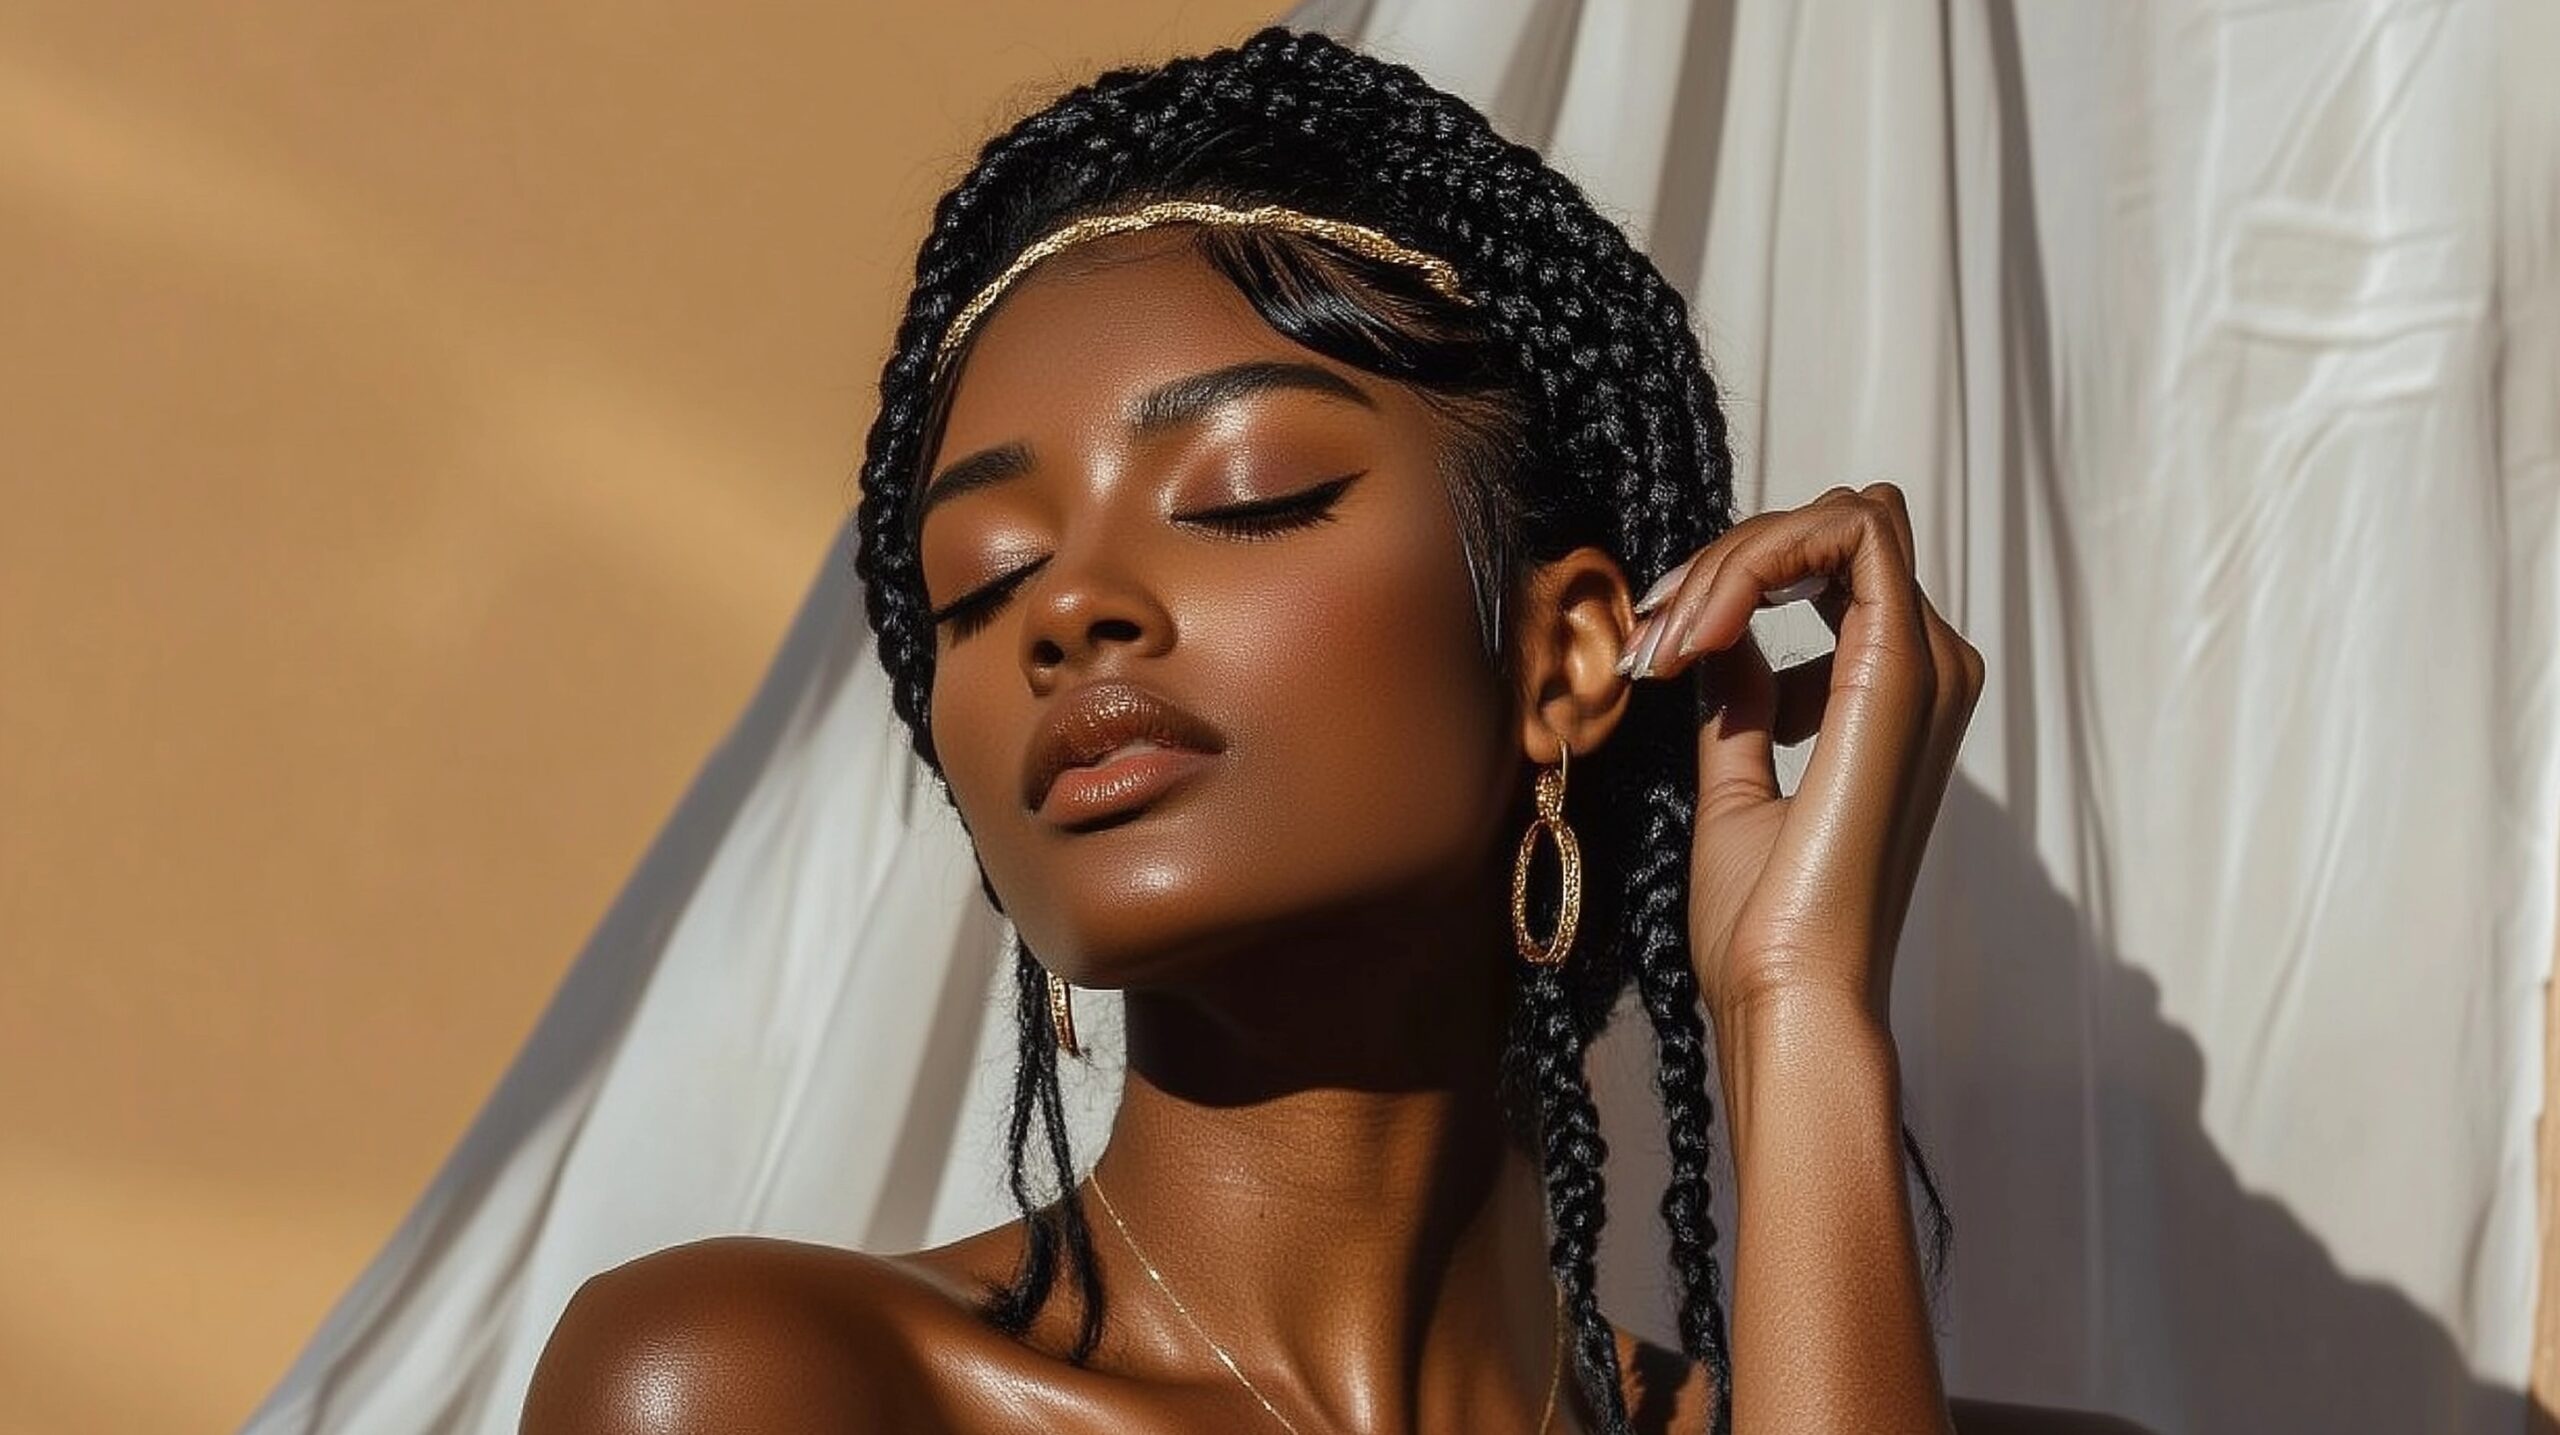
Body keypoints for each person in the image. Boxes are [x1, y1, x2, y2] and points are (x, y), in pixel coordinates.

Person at [522, 26, 2148, 1435]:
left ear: (1571, 652)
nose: (1067, 608)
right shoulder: (759, 1392)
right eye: (981, 580)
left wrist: (1798, 1013)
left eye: (1244, 498)